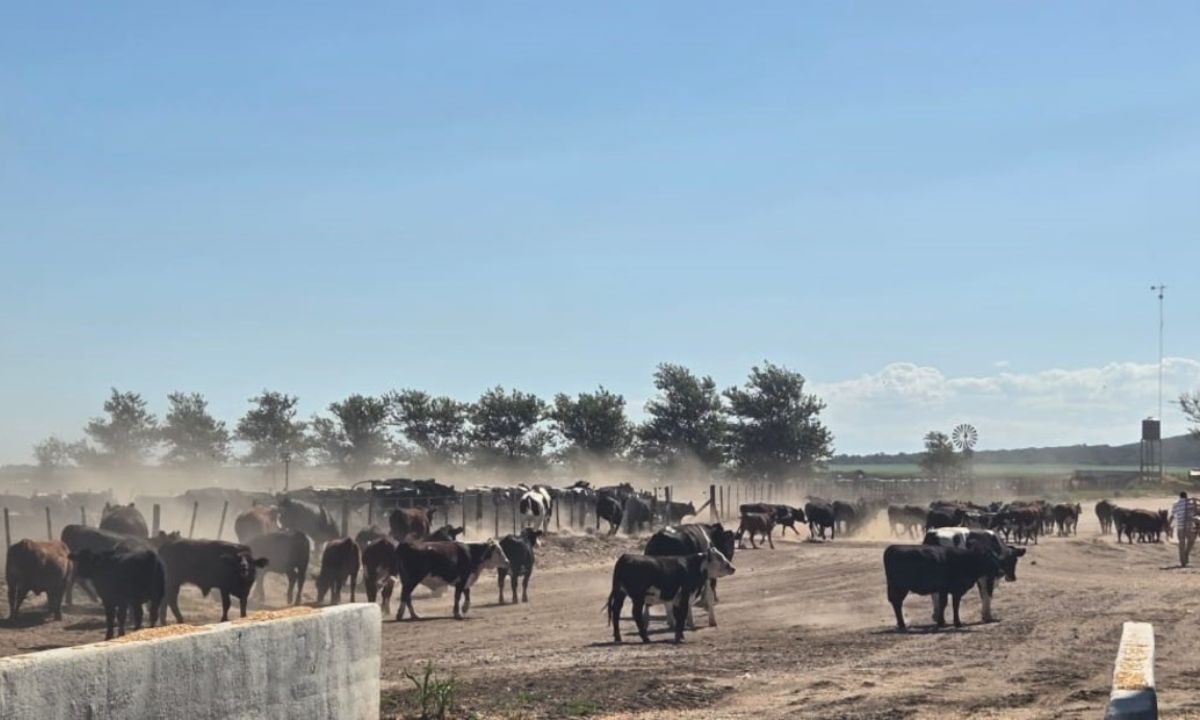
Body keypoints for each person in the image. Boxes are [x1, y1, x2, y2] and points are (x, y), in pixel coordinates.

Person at [1172, 491, 1197, 567]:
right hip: (1188, 526)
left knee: (1181, 544)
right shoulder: (1189, 503)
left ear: (1180, 497)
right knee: (1191, 540)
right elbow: (1195, 511)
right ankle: (1186, 554)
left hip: (1180, 527)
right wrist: (1194, 501)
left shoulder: (1176, 504)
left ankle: (1183, 561)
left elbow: (1173, 514)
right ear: (1186, 496)